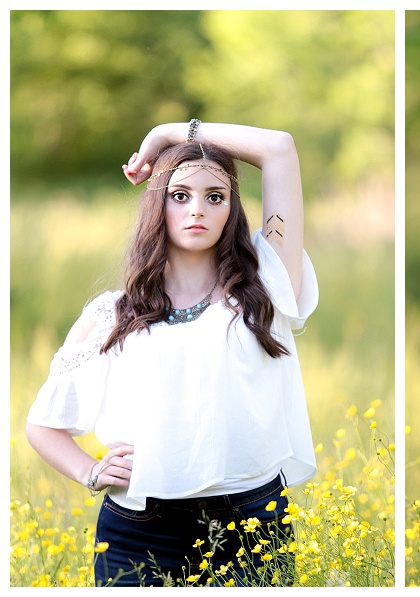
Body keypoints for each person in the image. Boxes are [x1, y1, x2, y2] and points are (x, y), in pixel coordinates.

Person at [26, 121, 319, 586]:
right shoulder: (112, 314)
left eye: (215, 196)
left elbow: (279, 148)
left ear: (231, 209)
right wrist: (90, 472)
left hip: (250, 526)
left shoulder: (265, 287)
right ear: (157, 205)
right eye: (179, 195)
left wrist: (167, 134)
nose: (197, 209)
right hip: (137, 532)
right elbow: (41, 425)